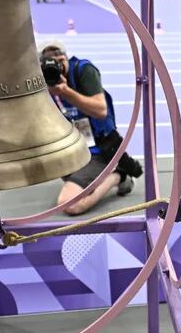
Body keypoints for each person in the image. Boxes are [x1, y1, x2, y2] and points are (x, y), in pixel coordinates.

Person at [39, 40, 142, 215]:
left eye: (58, 55)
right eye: (48, 58)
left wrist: (65, 91)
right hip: (73, 148)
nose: (55, 61)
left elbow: (101, 110)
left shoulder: (84, 71)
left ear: (66, 57)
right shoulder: (43, 81)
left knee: (69, 204)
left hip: (99, 149)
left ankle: (118, 175)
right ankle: (94, 176)